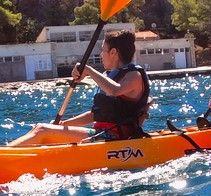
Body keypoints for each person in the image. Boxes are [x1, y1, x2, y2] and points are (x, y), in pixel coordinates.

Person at [9, 30, 150, 147]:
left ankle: (0, 156)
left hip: (115, 138)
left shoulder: (134, 76)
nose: (101, 55)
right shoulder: (111, 76)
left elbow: (115, 90)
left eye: (103, 50)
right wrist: (63, 124)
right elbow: (95, 115)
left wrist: (88, 70)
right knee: (42, 131)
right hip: (101, 134)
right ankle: (7, 153)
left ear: (113, 53)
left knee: (41, 130)